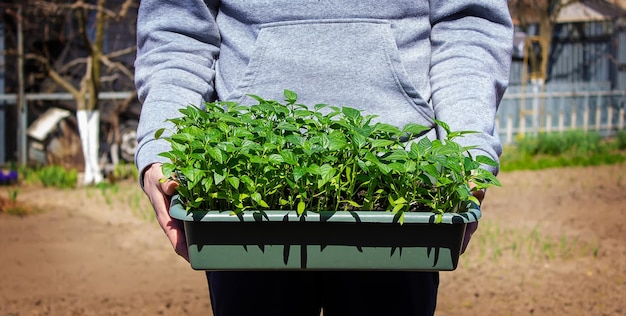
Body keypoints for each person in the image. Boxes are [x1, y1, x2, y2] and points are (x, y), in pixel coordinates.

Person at [134, 1, 513, 315]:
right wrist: (161, 146)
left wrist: (469, 152)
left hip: (405, 185)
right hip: (242, 201)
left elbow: (468, 23)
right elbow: (178, 30)